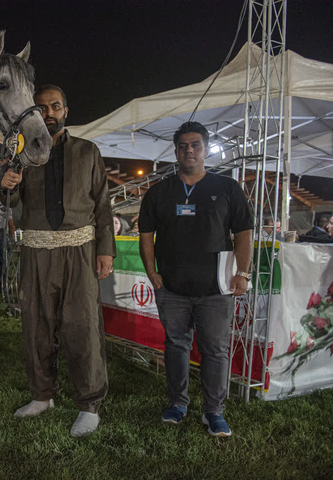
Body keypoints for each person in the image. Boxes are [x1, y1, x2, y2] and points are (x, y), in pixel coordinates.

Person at [0, 84, 115, 437]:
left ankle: (89, 405)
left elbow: (102, 206)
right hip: (35, 252)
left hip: (79, 252)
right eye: (42, 108)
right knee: (36, 326)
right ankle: (42, 395)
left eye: (55, 107)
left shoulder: (87, 151)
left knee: (82, 328)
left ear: (66, 110)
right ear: (34, 113)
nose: (49, 113)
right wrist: (7, 183)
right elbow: (10, 201)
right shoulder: (21, 153)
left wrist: (105, 249)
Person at [138, 121, 253, 437]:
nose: (189, 150)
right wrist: (151, 272)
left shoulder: (226, 188)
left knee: (215, 350)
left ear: (206, 149)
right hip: (171, 288)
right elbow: (146, 233)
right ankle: (177, 403)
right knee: (176, 345)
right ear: (175, 151)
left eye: (195, 145)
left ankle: (214, 411)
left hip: (216, 288)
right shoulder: (160, 191)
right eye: (183, 146)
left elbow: (244, 233)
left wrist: (242, 274)